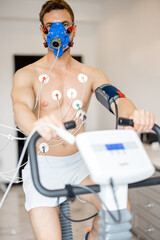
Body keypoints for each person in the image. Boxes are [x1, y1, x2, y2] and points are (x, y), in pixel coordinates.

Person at [11, 0, 155, 240]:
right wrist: (35, 125)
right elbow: (20, 107)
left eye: (65, 24)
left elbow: (118, 100)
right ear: (42, 31)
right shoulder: (27, 74)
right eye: (50, 25)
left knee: (119, 210)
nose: (58, 31)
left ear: (73, 29)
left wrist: (135, 115)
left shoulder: (90, 74)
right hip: (44, 165)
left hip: (80, 162)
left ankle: (91, 236)